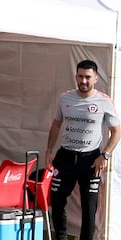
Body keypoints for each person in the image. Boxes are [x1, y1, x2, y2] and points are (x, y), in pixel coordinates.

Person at [45, 60, 121, 240]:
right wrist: (48, 150)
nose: (84, 81)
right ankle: (61, 237)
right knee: (56, 201)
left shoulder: (103, 101)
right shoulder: (65, 98)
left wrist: (105, 155)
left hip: (91, 160)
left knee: (89, 208)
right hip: (65, 157)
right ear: (76, 77)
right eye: (80, 76)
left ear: (95, 78)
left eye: (88, 77)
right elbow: (56, 125)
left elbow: (116, 131)